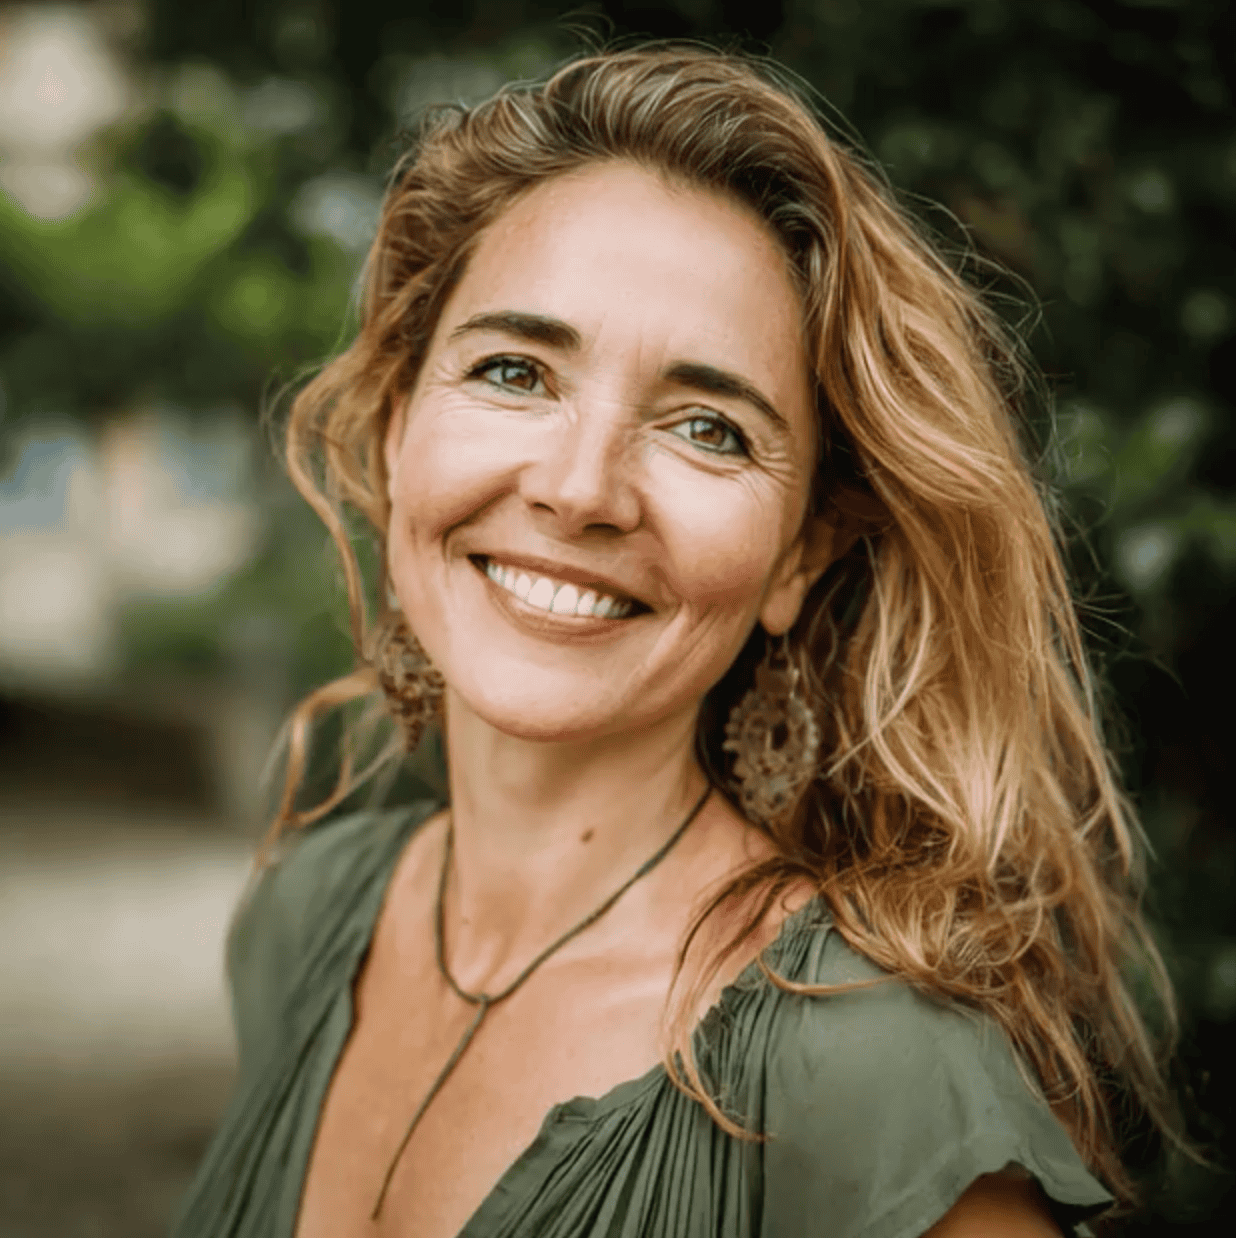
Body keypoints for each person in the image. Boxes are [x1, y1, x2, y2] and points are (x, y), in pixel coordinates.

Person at [173, 44, 1180, 1238]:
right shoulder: (305, 913)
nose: (581, 487)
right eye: (513, 369)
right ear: (399, 432)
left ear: (800, 555)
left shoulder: (870, 1070)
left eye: (708, 427)